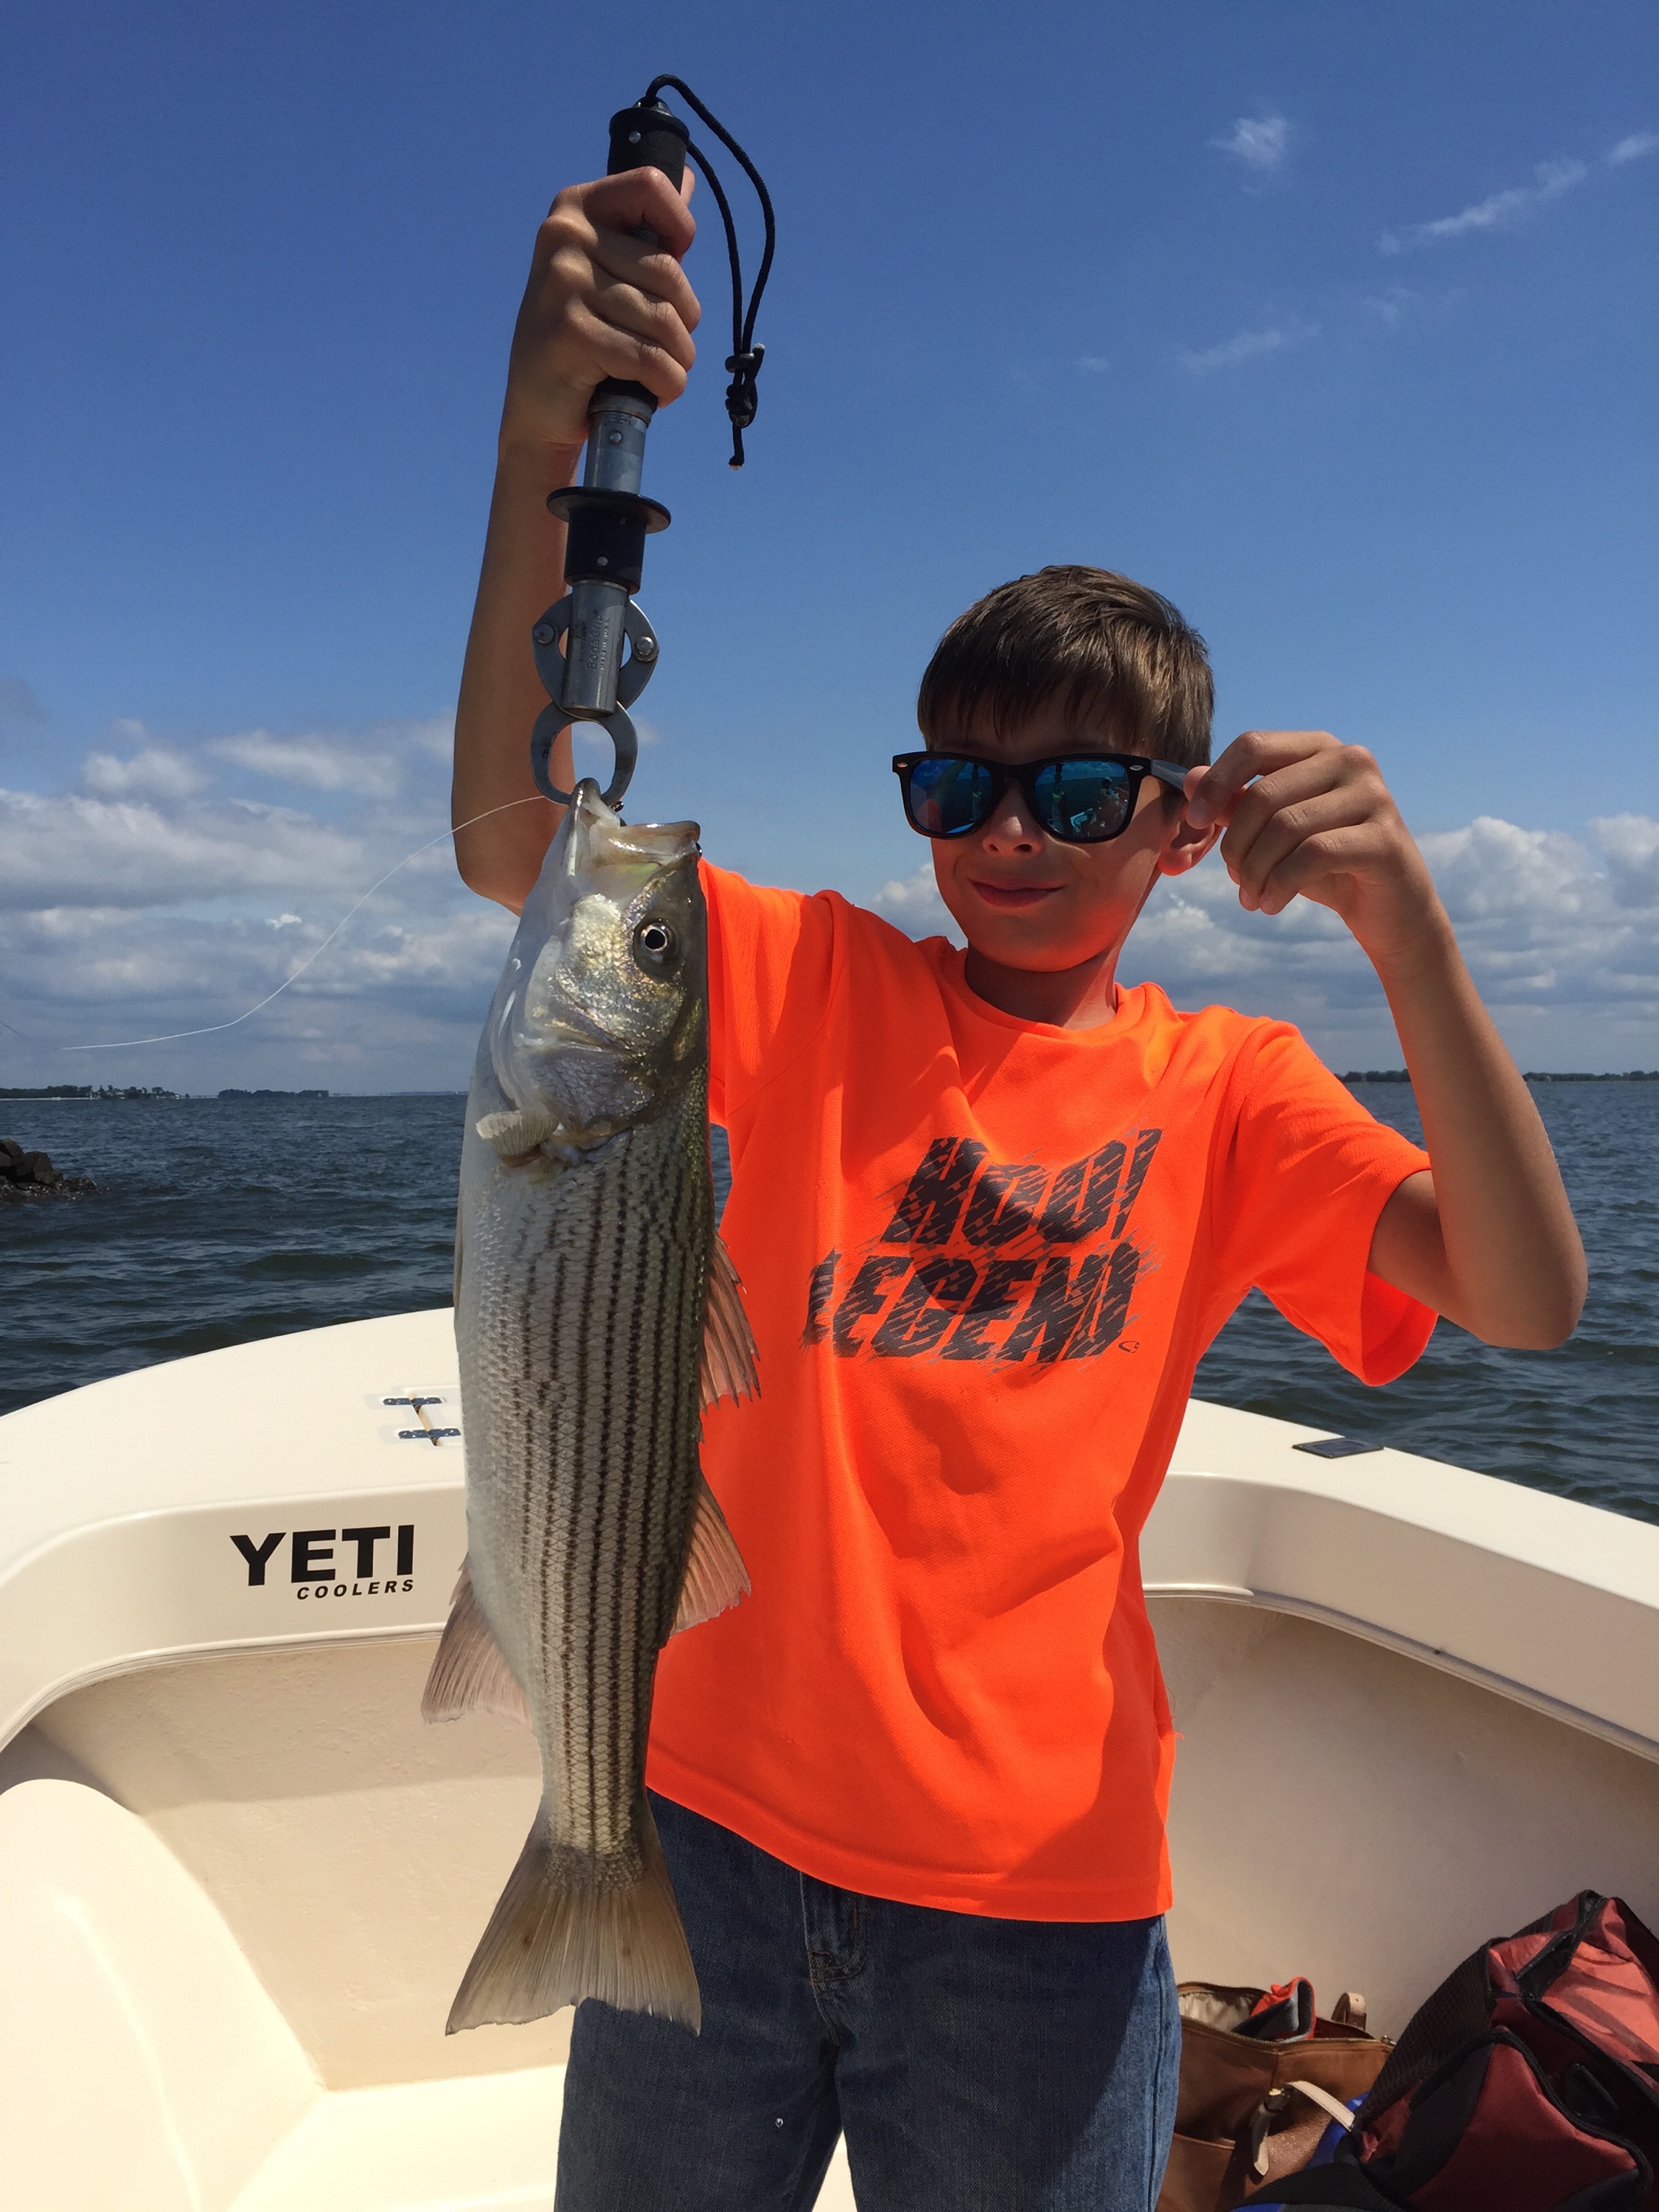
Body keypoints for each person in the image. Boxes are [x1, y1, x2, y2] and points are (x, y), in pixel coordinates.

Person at [451, 167, 1586, 2212]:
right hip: (698, 1824)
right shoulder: (814, 983)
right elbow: (523, 841)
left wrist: (1407, 930)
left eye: (1073, 794)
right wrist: (550, 430)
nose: (1007, 835)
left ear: (1178, 827)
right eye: (954, 787)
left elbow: (1522, 1298)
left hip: (1035, 1906)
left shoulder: (1225, 1089)